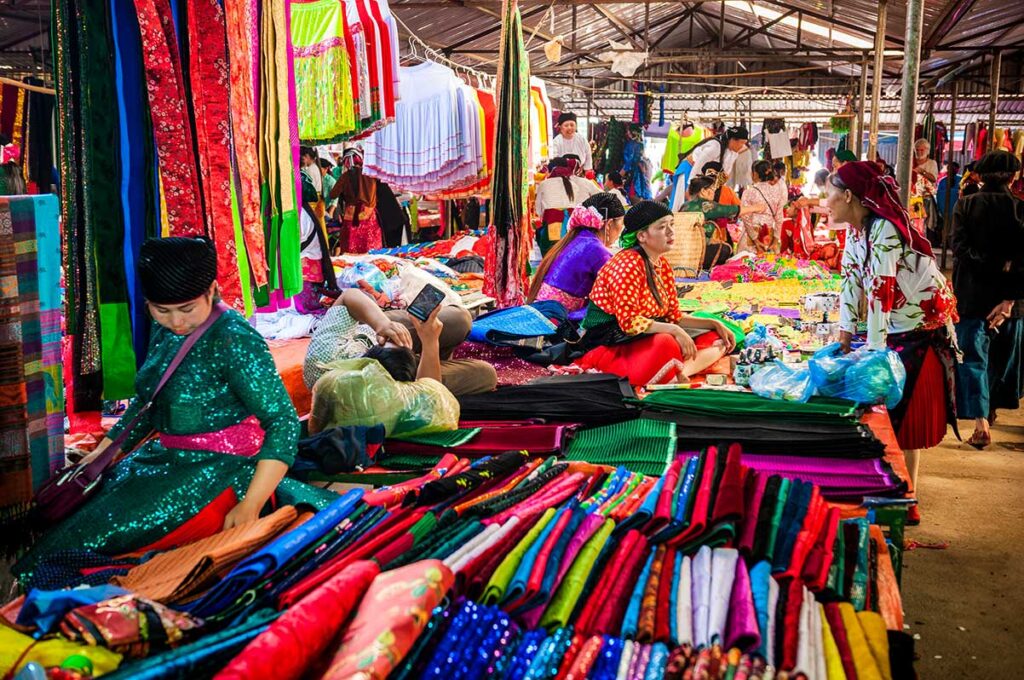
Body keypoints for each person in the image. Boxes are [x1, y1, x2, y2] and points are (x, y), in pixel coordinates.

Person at [14, 237, 337, 580]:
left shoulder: (234, 338)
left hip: (217, 470)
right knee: (72, 517)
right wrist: (104, 453)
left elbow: (283, 422)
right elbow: (147, 400)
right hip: (163, 459)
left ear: (212, 290)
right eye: (161, 310)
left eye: (187, 309)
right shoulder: (166, 326)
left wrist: (252, 504)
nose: (176, 322)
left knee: (91, 536)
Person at [828, 161, 959, 517]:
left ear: (850, 196)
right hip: (891, 329)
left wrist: (873, 350)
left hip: (917, 331)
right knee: (885, 417)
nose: (827, 204)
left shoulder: (885, 229)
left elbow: (881, 290)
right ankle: (893, 489)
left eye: (831, 196)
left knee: (901, 421)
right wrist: (843, 333)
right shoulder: (857, 231)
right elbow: (851, 280)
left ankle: (906, 496)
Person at [575, 200, 736, 386]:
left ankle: (679, 372)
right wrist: (675, 330)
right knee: (667, 342)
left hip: (642, 339)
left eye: (671, 225)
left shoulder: (662, 265)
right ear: (642, 236)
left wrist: (713, 323)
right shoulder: (627, 264)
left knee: (717, 335)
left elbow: (673, 316)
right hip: (610, 347)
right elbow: (629, 323)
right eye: (662, 227)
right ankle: (673, 371)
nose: (670, 232)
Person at [951, 151, 1024, 449]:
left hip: (971, 294)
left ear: (979, 175)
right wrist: (1007, 297)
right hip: (1010, 299)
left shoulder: (965, 205)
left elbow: (959, 248)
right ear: (1014, 177)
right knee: (1002, 358)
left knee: (973, 358)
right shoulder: (1020, 208)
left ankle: (980, 421)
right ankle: (990, 408)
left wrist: (986, 265)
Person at [304, 288, 496, 396]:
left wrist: (382, 325)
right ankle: (431, 363)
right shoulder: (390, 399)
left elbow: (348, 296)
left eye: (389, 341)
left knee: (459, 320)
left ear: (374, 349)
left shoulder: (326, 352)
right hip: (410, 383)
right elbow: (429, 396)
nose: (399, 339)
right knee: (485, 374)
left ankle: (432, 359)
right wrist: (430, 344)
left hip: (372, 333)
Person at [526, 192, 626, 313]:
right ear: (609, 223)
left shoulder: (577, 238)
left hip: (543, 308)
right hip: (557, 317)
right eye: (621, 224)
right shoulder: (596, 250)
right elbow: (617, 290)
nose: (620, 232)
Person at [679, 176, 763, 269]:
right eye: (712, 189)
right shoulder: (705, 204)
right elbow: (729, 210)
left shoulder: (685, 205)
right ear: (703, 191)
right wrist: (756, 208)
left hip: (682, 250)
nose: (714, 192)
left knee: (720, 245)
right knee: (725, 249)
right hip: (695, 251)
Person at [670, 126, 751, 211]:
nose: (742, 146)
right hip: (689, 171)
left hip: (702, 178)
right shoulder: (715, 147)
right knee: (682, 206)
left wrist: (717, 191)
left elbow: (724, 174)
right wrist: (689, 188)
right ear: (732, 140)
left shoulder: (733, 153)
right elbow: (698, 165)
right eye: (741, 143)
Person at [534, 155, 600, 255]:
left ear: (550, 169)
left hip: (551, 226)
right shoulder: (574, 185)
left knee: (550, 257)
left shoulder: (544, 184)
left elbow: (538, 211)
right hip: (571, 228)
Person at [328, 148, 383, 254]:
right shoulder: (370, 174)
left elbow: (333, 194)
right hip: (369, 215)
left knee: (351, 249)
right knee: (370, 247)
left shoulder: (345, 176)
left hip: (351, 217)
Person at [739, 160, 787, 254]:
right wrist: (776, 239)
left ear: (755, 174)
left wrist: (755, 239)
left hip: (751, 234)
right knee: (767, 266)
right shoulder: (777, 192)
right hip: (769, 235)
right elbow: (779, 218)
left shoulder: (749, 192)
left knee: (747, 265)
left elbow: (745, 217)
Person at [934, 161, 961, 226]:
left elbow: (939, 197)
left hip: (949, 212)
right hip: (952, 213)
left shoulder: (942, 181)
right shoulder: (943, 181)